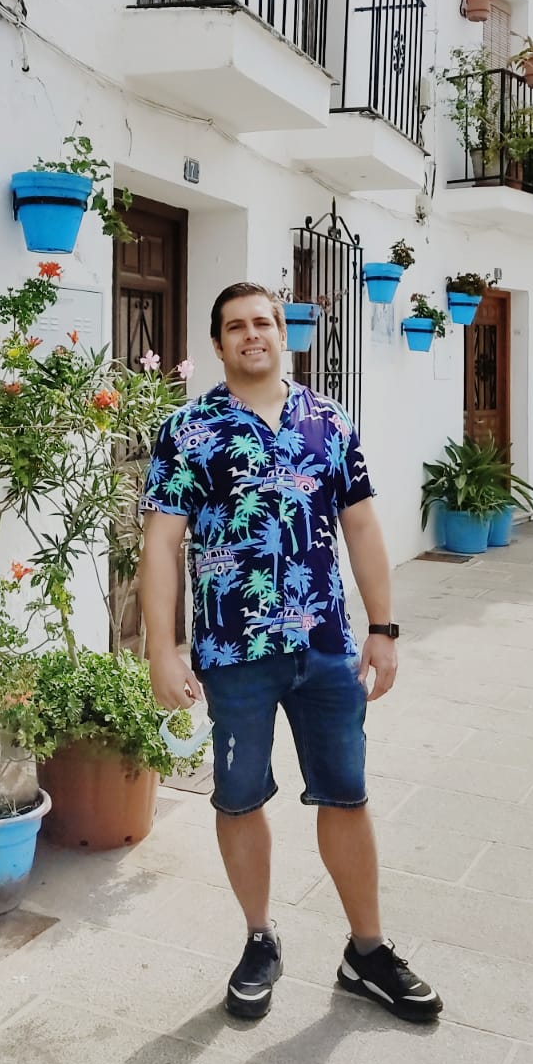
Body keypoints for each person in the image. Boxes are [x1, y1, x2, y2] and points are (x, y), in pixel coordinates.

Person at [138, 282, 442, 1024]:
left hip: (327, 647)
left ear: (284, 334)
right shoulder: (188, 429)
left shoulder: (328, 420)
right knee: (239, 797)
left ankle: (366, 951)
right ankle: (259, 938)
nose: (251, 335)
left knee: (346, 792)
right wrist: (160, 650)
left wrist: (384, 627)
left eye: (263, 323)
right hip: (231, 652)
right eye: (235, 326)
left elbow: (363, 527)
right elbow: (161, 544)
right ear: (217, 344)